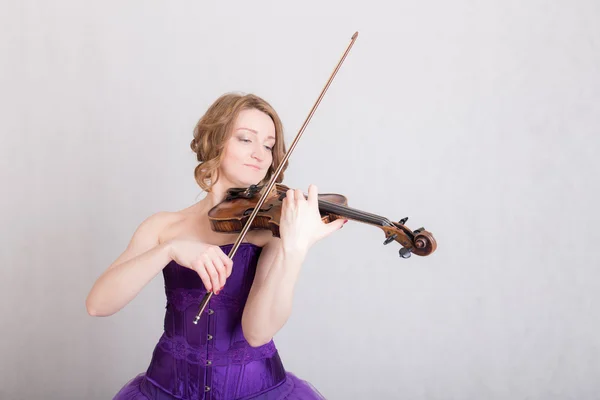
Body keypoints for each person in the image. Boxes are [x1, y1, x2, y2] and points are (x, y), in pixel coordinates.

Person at [85, 92, 347, 399]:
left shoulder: (271, 231)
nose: (260, 154)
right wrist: (169, 250)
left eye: (268, 144)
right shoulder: (164, 227)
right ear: (216, 141)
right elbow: (98, 304)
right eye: (246, 139)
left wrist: (295, 249)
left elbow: (257, 332)